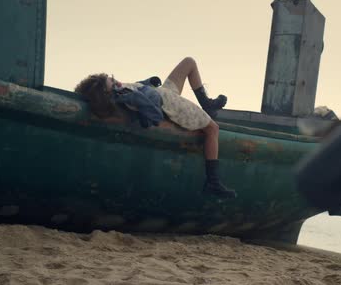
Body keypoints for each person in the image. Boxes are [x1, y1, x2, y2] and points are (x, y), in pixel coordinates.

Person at [74, 57, 236, 199]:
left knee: (189, 62)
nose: (116, 80)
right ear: (107, 92)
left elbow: (139, 92)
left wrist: (147, 83)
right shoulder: (125, 97)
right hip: (172, 105)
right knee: (213, 129)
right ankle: (213, 181)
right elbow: (154, 115)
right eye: (112, 81)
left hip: (163, 92)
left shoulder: (121, 90)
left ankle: (207, 104)